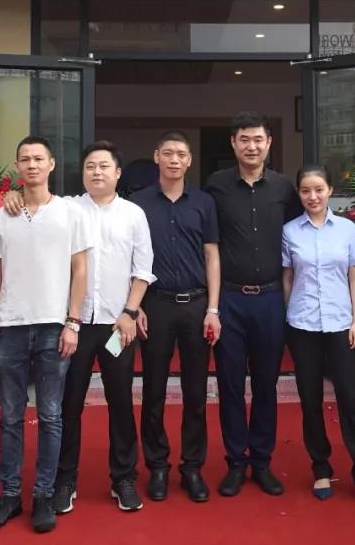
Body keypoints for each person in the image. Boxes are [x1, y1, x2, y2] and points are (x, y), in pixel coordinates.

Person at [6, 140, 155, 514]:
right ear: (82, 172)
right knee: (68, 404)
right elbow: (33, 203)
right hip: (74, 325)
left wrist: (130, 312)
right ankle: (64, 480)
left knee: (120, 402)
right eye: (90, 166)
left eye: (104, 166)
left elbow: (143, 270)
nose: (97, 172)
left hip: (117, 324)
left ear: (117, 173)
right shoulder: (67, 208)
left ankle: (123, 478)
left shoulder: (134, 214)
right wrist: (13, 196)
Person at [0, 136, 89, 535]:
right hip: (10, 327)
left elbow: (80, 269)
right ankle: (9, 495)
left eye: (38, 158)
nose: (32, 165)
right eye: (24, 159)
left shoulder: (71, 212)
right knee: (9, 415)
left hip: (53, 326)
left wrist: (73, 322)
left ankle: (44, 494)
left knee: (51, 415)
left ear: (51, 164)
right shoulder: (1, 215)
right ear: (17, 166)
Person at [205, 112, 301, 497]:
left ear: (269, 143)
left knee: (266, 383)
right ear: (233, 143)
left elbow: (298, 237)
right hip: (230, 298)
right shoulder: (216, 186)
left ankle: (261, 461)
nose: (251, 146)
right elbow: (209, 244)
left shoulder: (283, 188)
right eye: (244, 139)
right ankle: (235, 461)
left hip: (270, 298)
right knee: (229, 384)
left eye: (258, 139)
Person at [282, 165, 355, 509]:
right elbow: (288, 278)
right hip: (303, 324)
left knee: (350, 398)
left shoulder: (347, 229)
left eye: (319, 190)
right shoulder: (290, 231)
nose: (313, 197)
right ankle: (321, 468)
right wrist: (288, 315)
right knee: (310, 400)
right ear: (299, 193)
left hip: (342, 323)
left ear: (330, 190)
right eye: (306, 190)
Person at [131, 131, 221, 503]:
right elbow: (129, 257)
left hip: (196, 305)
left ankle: (192, 467)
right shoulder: (137, 204)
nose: (174, 160)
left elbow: (212, 256)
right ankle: (157, 466)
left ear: (189, 160)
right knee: (153, 390)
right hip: (155, 305)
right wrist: (133, 305)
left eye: (181, 154)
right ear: (156, 156)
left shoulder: (203, 203)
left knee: (195, 392)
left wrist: (213, 309)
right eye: (167, 153)